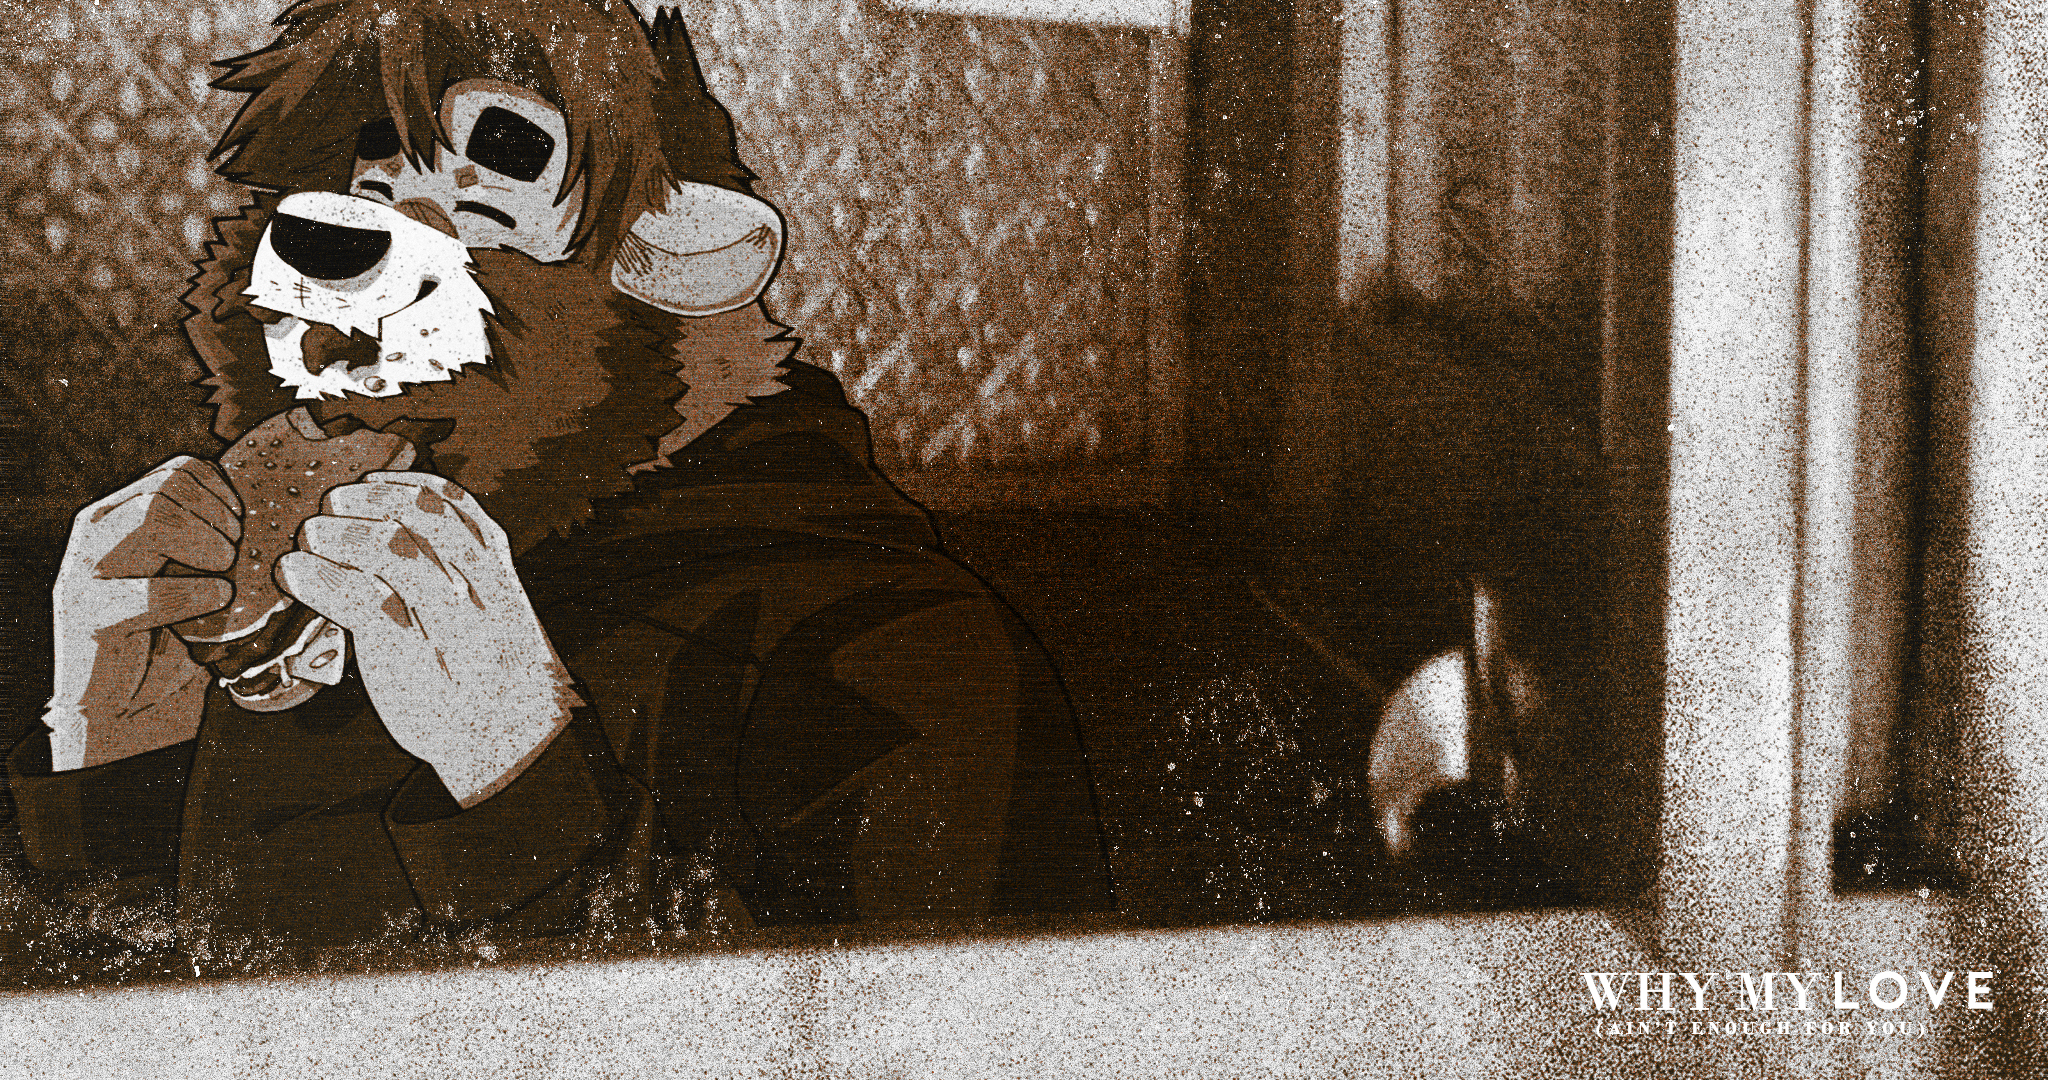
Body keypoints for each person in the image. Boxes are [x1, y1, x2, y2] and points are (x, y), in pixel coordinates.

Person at [6, 0, 1110, 954]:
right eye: (358, 210)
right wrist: (110, 763)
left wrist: (519, 772)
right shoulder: (281, 612)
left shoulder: (899, 652)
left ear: (667, 267)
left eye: (482, 217)